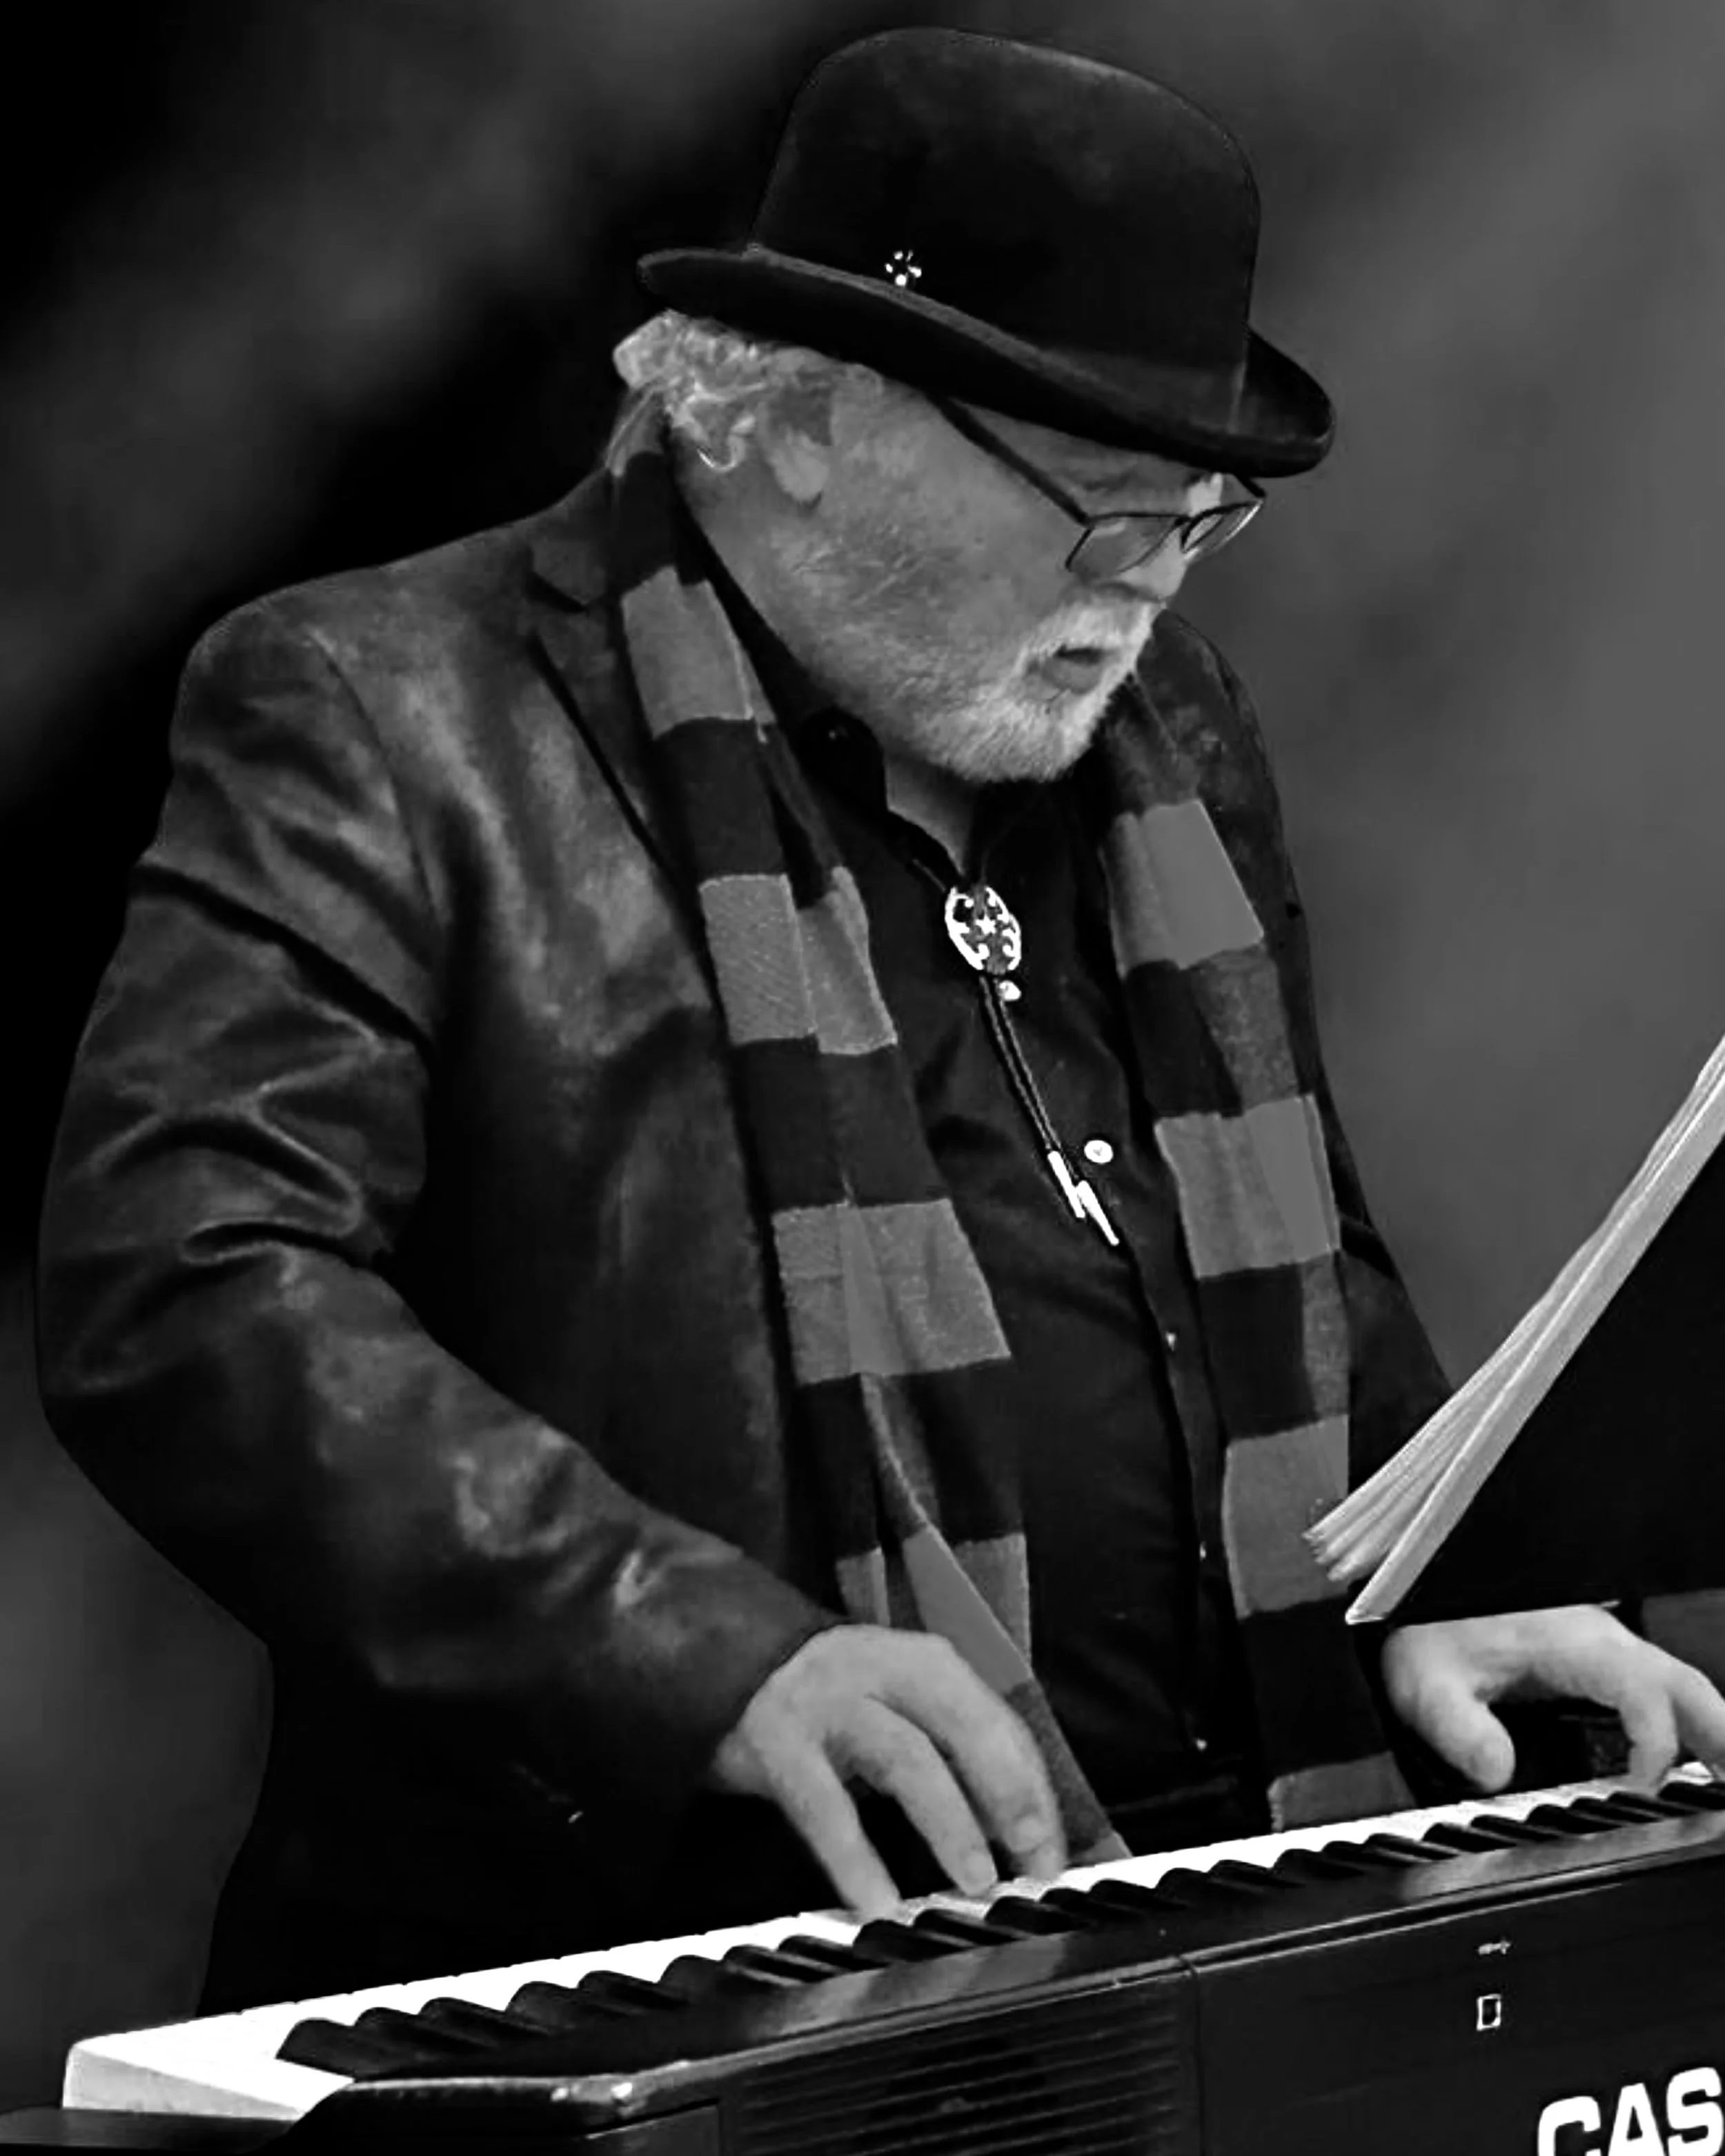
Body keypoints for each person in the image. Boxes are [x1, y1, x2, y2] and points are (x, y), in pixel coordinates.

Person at [36, 28, 1725, 2012]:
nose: (1146, 591)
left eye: (1197, 522)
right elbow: (187, 1279)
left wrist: (1425, 1589)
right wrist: (698, 1651)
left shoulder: (1170, 732)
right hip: (655, 1964)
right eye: (1100, 511)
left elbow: (1281, 1265)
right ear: (812, 423)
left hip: (1210, 1914)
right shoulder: (383, 708)